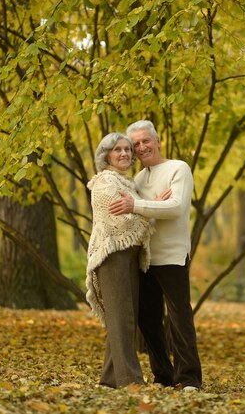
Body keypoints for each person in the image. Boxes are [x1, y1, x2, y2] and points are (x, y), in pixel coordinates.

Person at [108, 120, 202, 391]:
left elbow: (175, 207)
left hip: (172, 256)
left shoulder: (178, 168)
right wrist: (150, 205)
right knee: (148, 321)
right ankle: (163, 375)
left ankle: (189, 379)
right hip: (146, 258)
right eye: (135, 144)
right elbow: (142, 220)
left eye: (145, 141)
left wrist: (139, 205)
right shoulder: (138, 179)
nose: (140, 147)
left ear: (157, 140)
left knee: (178, 318)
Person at [86, 132, 157, 389]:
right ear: (106, 155)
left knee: (125, 318)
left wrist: (142, 206)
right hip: (112, 254)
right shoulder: (105, 182)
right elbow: (126, 219)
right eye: (118, 149)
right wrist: (150, 206)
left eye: (128, 149)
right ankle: (130, 380)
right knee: (122, 319)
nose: (125, 153)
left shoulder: (127, 184)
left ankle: (109, 379)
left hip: (130, 254)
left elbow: (135, 211)